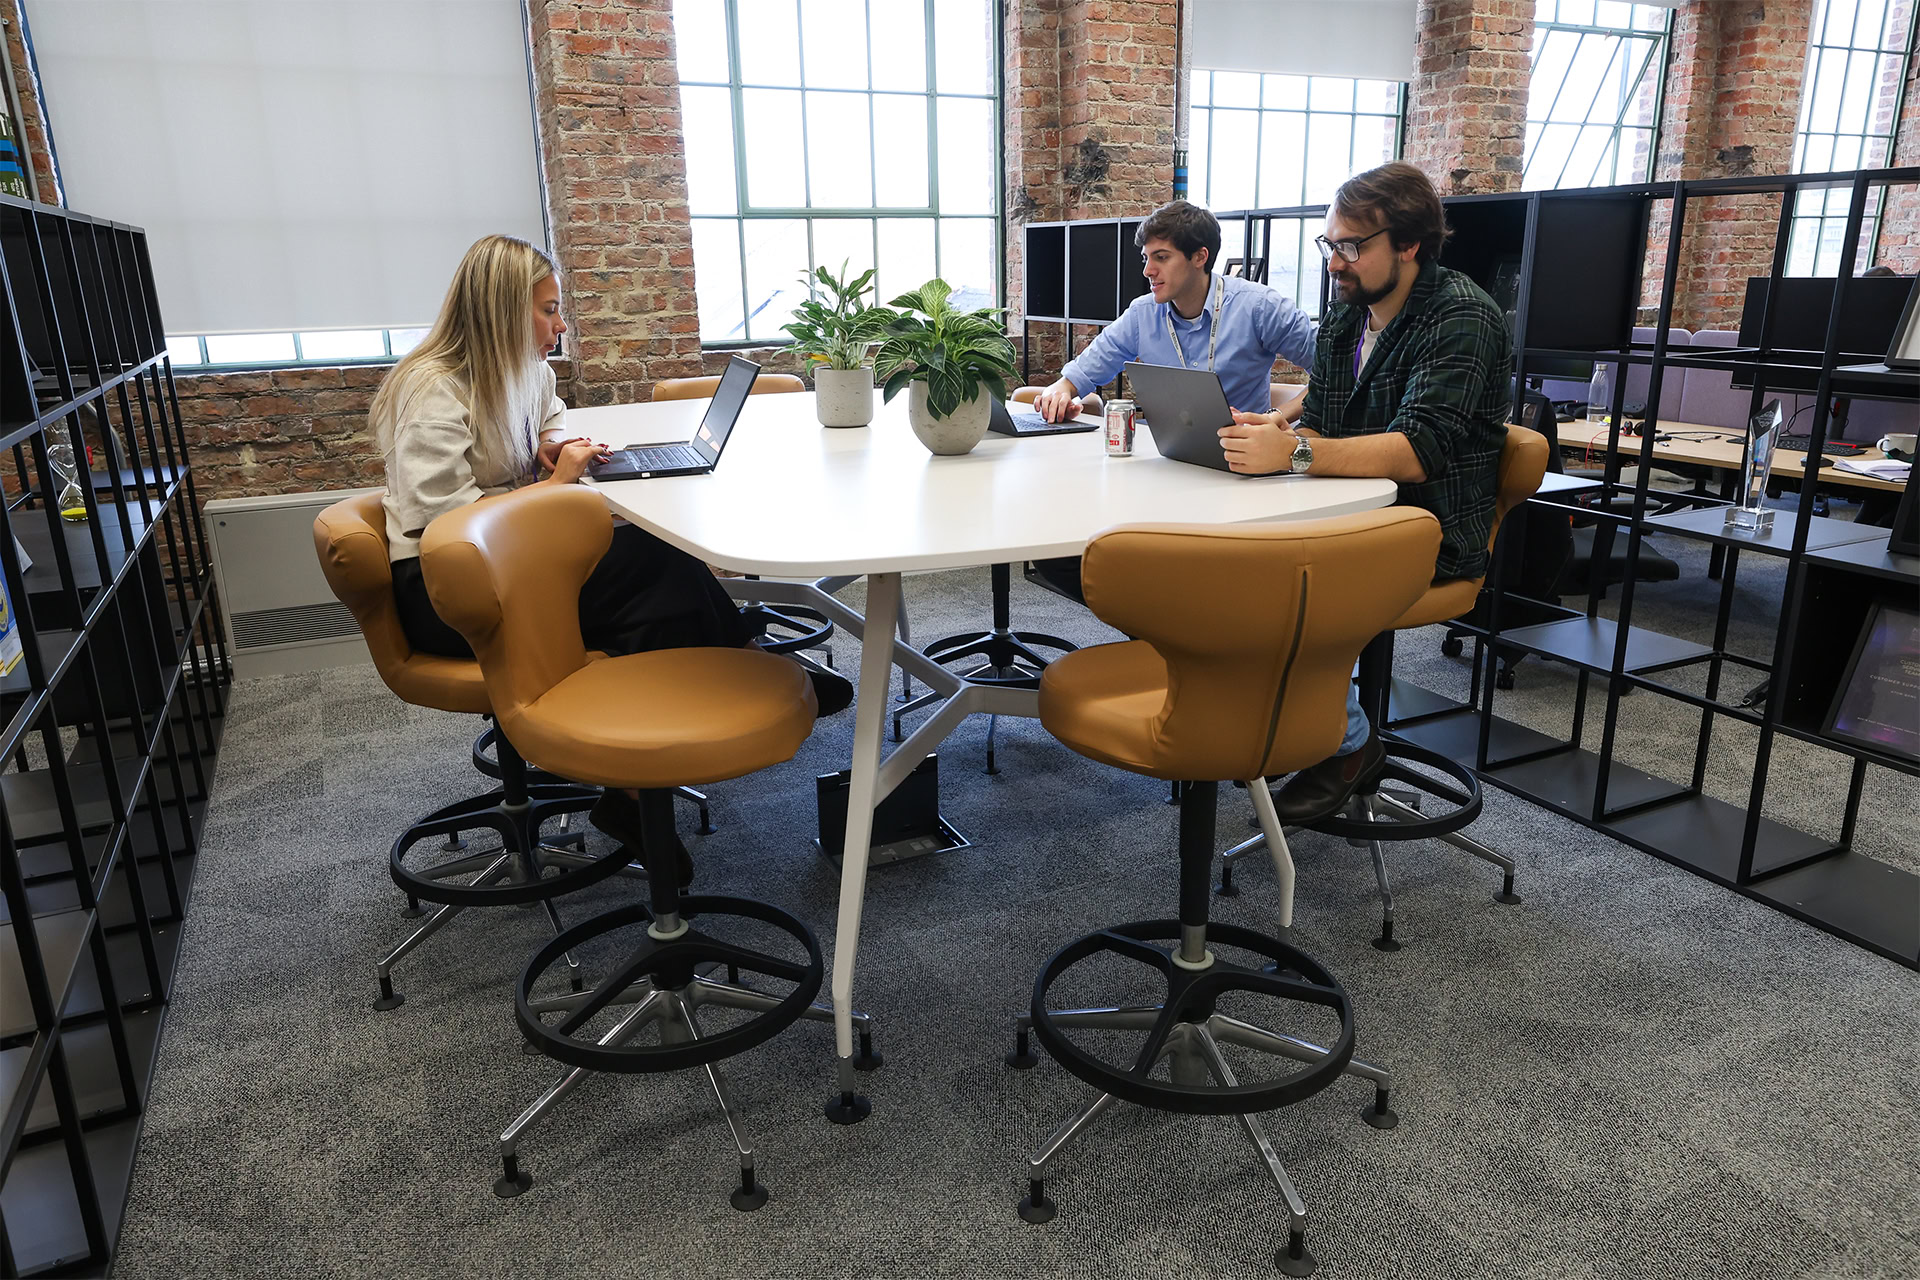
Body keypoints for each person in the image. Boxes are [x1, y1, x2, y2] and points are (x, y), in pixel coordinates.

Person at [373, 235, 853, 731]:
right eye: (549, 310)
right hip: (447, 593)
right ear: (502, 313)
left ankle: (711, 693)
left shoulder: (524, 371)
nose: (561, 326)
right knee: (655, 570)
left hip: (508, 559)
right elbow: (444, 525)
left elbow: (550, 413)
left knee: (656, 558)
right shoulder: (432, 388)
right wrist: (556, 484)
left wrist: (547, 442)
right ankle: (739, 680)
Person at [1217, 161, 1511, 823]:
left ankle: (1348, 745)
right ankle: (1297, 721)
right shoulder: (1350, 313)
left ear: (1408, 245)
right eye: (1330, 244)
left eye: (1351, 247)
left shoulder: (1461, 317)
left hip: (1425, 532)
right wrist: (1278, 434)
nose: (1334, 263)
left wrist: (1293, 453)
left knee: (1262, 581)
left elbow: (1417, 453)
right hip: (1346, 514)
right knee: (1219, 558)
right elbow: (1322, 419)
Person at [1029, 200, 1317, 597]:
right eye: (1146, 258)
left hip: (1239, 474)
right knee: (1060, 554)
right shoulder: (1143, 313)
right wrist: (1060, 391)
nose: (1148, 270)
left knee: (1159, 566)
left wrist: (1277, 415)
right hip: (1168, 467)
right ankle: (1156, 616)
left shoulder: (1259, 307)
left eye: (1161, 257)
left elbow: (1336, 373)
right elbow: (1081, 374)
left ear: (1200, 257)